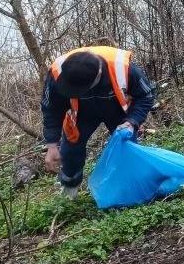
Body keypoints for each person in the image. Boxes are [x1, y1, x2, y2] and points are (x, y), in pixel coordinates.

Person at [42, 44, 156, 198]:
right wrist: (51, 144)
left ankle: (128, 190)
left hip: (116, 110)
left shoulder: (123, 68)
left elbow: (146, 95)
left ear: (97, 77)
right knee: (70, 152)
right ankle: (69, 192)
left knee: (126, 147)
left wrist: (132, 121)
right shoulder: (57, 73)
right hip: (81, 113)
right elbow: (51, 108)